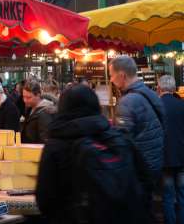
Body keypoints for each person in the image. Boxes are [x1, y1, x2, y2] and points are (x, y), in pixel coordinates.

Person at [36, 84, 148, 224]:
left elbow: (45, 200)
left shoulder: (55, 145)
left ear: (62, 108)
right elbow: (145, 179)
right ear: (95, 105)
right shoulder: (118, 137)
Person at [109, 55, 165, 218]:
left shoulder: (127, 102)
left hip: (139, 169)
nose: (111, 80)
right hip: (154, 164)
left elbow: (122, 141)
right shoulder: (151, 94)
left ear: (122, 76)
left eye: (112, 75)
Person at [157, 75, 184, 224]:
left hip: (165, 157)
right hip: (182, 156)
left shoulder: (156, 106)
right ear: (174, 88)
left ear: (159, 88)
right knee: (182, 194)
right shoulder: (182, 105)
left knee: (167, 195)